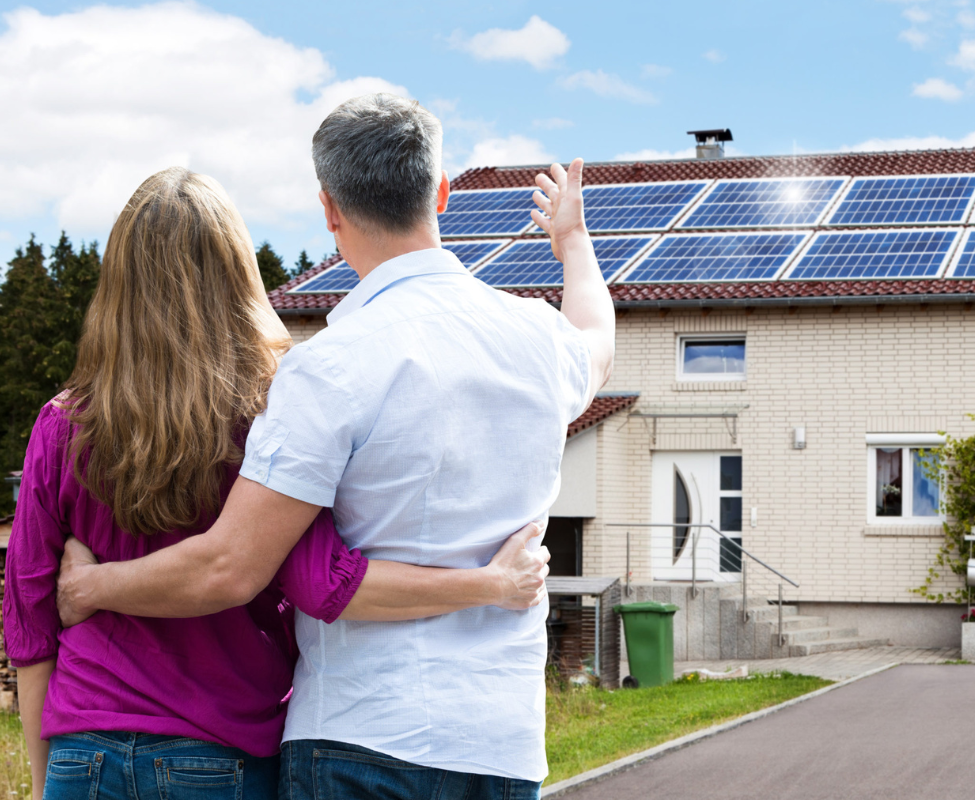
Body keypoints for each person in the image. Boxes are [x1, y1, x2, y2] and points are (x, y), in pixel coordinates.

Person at [55, 93, 614, 799]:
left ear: (329, 209)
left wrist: (90, 586)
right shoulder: (538, 341)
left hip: (357, 735)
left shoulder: (328, 367)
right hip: (496, 745)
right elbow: (599, 339)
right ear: (439, 193)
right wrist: (572, 242)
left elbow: (231, 566)